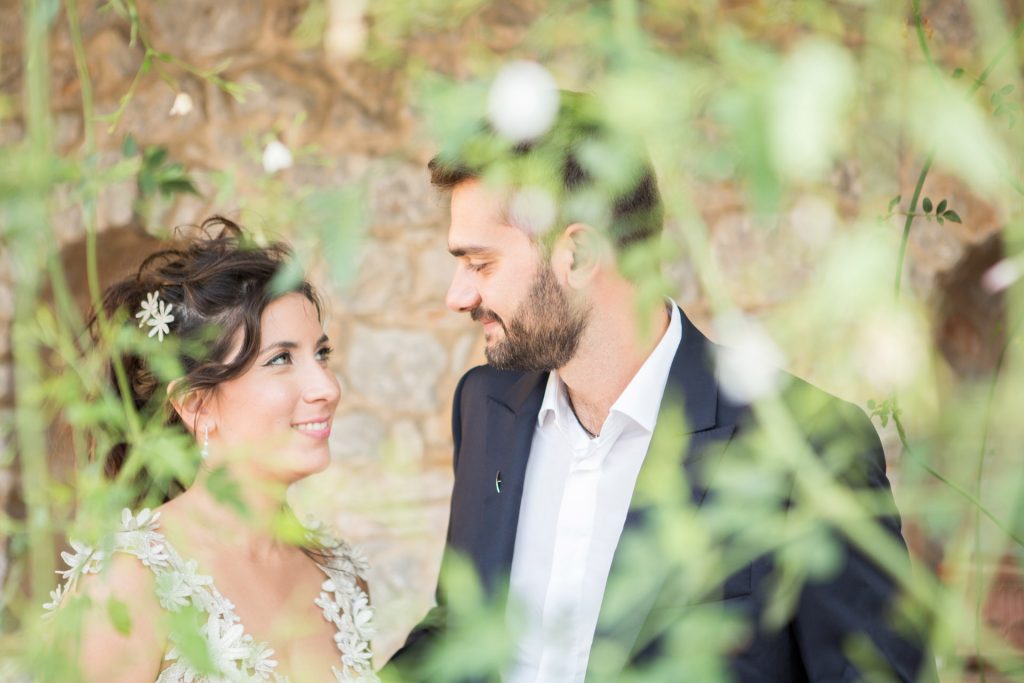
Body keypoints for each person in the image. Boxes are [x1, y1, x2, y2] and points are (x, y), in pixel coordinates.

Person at [392, 93, 933, 682]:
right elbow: (458, 623)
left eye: (481, 264)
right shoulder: (484, 406)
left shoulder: (806, 446)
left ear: (577, 255)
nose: (457, 296)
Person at [45, 217, 377, 683]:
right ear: (196, 404)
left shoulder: (341, 580)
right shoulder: (128, 584)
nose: (326, 387)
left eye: (321, 354)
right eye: (281, 359)